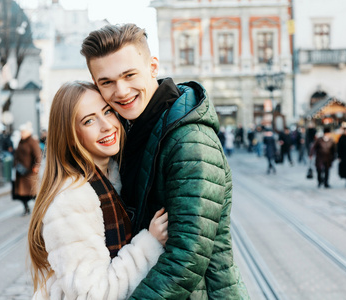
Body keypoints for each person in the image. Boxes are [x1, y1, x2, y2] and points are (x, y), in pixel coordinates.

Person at [81, 23, 249, 299]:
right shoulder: (129, 128)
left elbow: (187, 258)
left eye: (129, 75)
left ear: (153, 67)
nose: (121, 91)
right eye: (107, 82)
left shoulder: (189, 141)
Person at [28, 81, 168, 299]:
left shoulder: (112, 177)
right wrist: (149, 244)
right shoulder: (72, 197)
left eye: (108, 111)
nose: (107, 125)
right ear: (71, 137)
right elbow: (93, 293)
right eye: (89, 120)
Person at [13, 122, 42, 215]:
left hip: (30, 172)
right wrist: (15, 163)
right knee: (21, 194)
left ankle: (40, 209)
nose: (21, 133)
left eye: (23, 132)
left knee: (33, 193)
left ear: (28, 132)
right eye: (21, 132)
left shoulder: (32, 142)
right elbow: (16, 154)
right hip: (21, 171)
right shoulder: (20, 142)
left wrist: (36, 166)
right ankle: (26, 208)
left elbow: (38, 155)